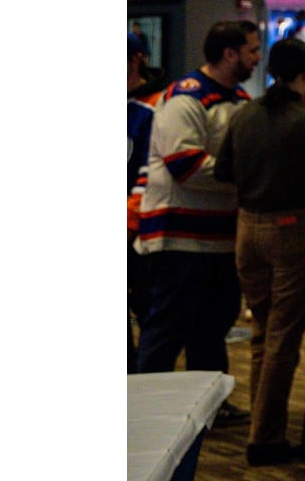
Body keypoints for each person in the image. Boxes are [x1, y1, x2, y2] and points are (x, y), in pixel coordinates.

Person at [212, 37, 305, 465]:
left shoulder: (244, 114)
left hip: (248, 228)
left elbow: (223, 171)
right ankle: (265, 439)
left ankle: (263, 428)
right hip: (293, 228)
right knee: (283, 337)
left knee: (263, 333)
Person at [135, 20, 260, 431]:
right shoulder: (185, 97)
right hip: (179, 236)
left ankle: (209, 404)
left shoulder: (240, 99)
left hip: (220, 236)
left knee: (212, 326)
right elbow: (185, 164)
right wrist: (248, 174)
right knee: (167, 328)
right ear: (230, 54)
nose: (257, 57)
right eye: (252, 50)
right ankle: (143, 407)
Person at [128, 32, 168, 372]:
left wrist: (128, 222)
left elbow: (150, 170)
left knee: (149, 312)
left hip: (142, 231)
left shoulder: (156, 105)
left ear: (136, 59)